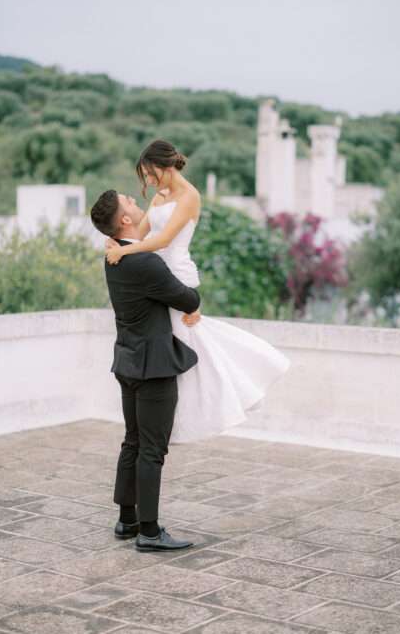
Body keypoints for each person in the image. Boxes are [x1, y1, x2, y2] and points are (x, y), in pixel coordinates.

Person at [105, 139, 290, 443]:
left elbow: (163, 240)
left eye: (151, 175)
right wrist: (118, 243)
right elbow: (140, 233)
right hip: (153, 274)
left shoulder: (189, 196)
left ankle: (201, 411)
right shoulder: (160, 196)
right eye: (145, 178)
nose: (149, 182)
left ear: (165, 166)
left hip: (174, 273)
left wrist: (127, 253)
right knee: (169, 345)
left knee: (185, 347)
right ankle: (169, 420)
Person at [90, 189, 201, 552]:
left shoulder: (113, 257)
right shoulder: (145, 262)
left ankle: (127, 520)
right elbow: (189, 299)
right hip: (153, 366)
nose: (137, 206)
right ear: (124, 220)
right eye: (131, 203)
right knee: (152, 448)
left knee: (133, 440)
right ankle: (150, 532)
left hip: (126, 361)